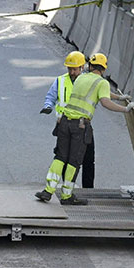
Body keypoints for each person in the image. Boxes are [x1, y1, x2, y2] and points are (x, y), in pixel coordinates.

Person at [34, 52, 134, 206]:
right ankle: (67, 196)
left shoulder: (81, 78)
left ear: (89, 66)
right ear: (103, 69)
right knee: (74, 161)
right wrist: (125, 109)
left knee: (60, 157)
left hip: (64, 122)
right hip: (79, 126)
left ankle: (48, 191)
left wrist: (119, 97)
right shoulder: (102, 82)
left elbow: (102, 92)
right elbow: (104, 100)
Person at [40, 51, 96, 188]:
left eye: (74, 69)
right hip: (64, 125)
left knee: (88, 159)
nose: (71, 72)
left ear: (82, 67)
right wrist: (48, 106)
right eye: (69, 68)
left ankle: (87, 188)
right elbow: (51, 96)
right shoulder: (61, 81)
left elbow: (102, 94)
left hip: (83, 125)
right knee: (65, 158)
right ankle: (67, 186)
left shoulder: (88, 81)